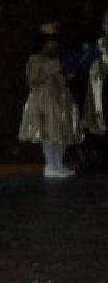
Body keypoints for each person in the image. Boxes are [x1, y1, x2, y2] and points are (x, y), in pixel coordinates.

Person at [18, 26, 83, 178]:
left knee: (61, 132)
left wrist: (68, 73)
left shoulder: (52, 59)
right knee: (49, 132)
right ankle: (50, 165)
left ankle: (58, 164)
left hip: (59, 98)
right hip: (44, 99)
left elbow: (60, 78)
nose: (54, 45)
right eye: (51, 42)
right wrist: (53, 69)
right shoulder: (35, 59)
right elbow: (33, 80)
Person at [79, 7, 108, 171]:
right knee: (97, 123)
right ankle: (94, 160)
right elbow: (86, 65)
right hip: (99, 91)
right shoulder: (99, 44)